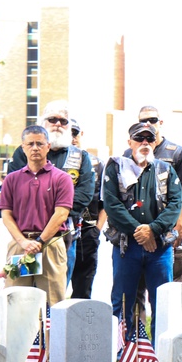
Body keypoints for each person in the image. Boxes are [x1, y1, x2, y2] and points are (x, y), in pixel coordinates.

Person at [102, 122, 182, 341]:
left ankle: (160, 349)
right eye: (139, 139)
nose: (145, 143)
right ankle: (121, 349)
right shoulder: (115, 168)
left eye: (149, 139)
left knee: (161, 302)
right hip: (127, 247)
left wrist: (153, 230)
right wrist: (140, 232)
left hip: (159, 248)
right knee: (122, 300)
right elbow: (112, 205)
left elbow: (176, 204)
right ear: (129, 142)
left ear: (155, 143)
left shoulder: (166, 170)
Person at [8, 100, 94, 287]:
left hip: (61, 238)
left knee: (54, 296)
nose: (57, 124)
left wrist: (52, 217)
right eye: (52, 119)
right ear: (42, 123)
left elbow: (84, 195)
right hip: (24, 239)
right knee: (23, 294)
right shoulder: (23, 153)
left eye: (63, 121)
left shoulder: (81, 157)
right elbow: (13, 193)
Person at [0, 126, 73, 305]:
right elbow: (6, 214)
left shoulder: (62, 178)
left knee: (53, 304)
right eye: (30, 144)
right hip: (20, 245)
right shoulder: (12, 179)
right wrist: (23, 242)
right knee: (15, 302)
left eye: (39, 143)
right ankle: (20, 335)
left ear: (48, 146)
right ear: (22, 147)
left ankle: (50, 335)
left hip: (50, 246)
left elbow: (61, 214)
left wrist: (39, 241)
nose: (35, 148)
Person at [124, 105, 182, 280]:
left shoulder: (177, 154)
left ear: (160, 122)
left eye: (152, 120)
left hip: (167, 230)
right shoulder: (127, 154)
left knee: (168, 287)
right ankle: (139, 310)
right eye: (142, 121)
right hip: (137, 231)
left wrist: (180, 226)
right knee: (136, 288)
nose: (148, 123)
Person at [70, 119, 104, 299]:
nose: (72, 138)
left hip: (88, 231)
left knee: (83, 287)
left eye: (75, 133)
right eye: (69, 133)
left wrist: (97, 229)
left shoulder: (97, 164)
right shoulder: (54, 162)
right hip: (60, 230)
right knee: (56, 286)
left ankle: (79, 326)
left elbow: (104, 201)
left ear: (81, 135)